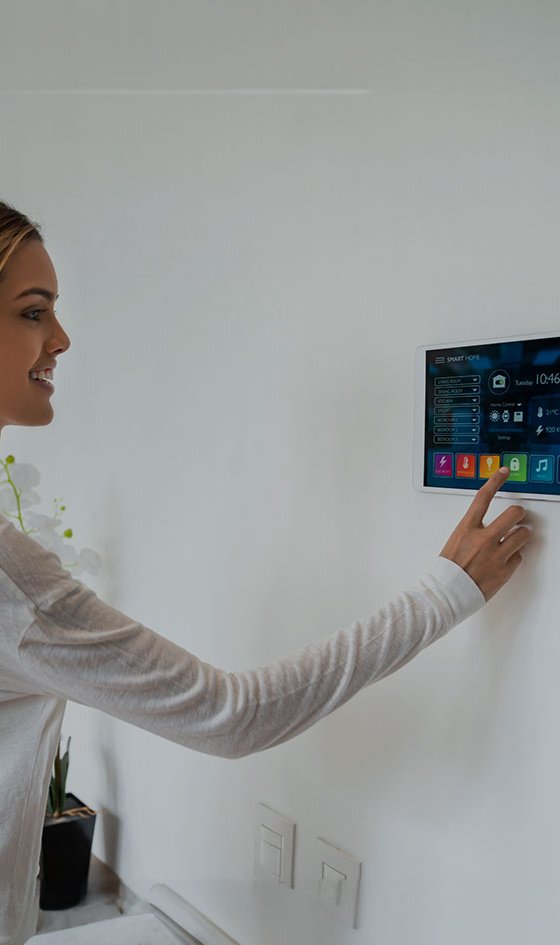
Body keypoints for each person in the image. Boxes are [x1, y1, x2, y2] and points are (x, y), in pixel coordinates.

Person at [0, 200, 531, 945]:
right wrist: (447, 590)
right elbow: (232, 714)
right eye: (33, 312)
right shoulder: (13, 581)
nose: (60, 337)